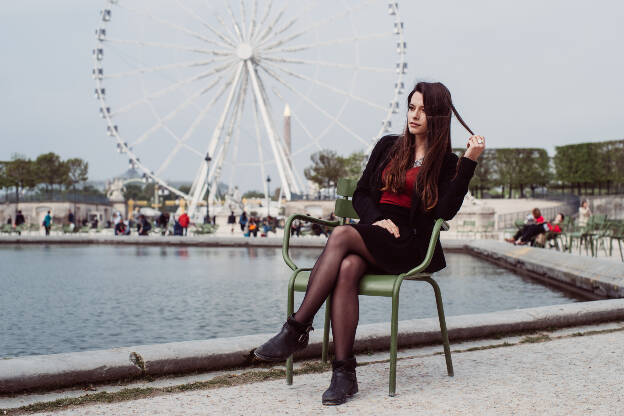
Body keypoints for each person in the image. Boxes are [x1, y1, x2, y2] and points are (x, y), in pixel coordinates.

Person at [253, 82, 484, 405]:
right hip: (374, 231)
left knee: (342, 234)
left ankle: (296, 328)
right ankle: (344, 374)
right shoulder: (388, 146)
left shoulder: (445, 161)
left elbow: (445, 212)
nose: (414, 115)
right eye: (411, 107)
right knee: (347, 266)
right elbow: (361, 193)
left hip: (410, 242)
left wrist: (469, 162)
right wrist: (376, 219)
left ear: (438, 117)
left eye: (423, 110)